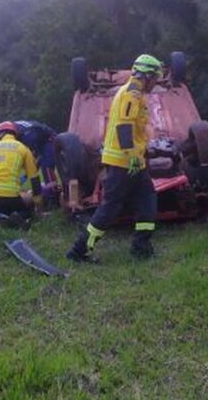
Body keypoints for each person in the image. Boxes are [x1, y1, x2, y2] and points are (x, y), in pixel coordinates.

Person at [66, 54, 164, 262]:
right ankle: (79, 250)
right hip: (123, 162)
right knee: (110, 208)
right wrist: (131, 155)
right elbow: (124, 127)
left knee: (147, 200)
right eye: (155, 77)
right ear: (146, 76)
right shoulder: (131, 94)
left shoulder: (136, 93)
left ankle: (141, 246)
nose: (156, 83)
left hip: (134, 161)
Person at [13, 119, 60, 208]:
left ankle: (54, 197)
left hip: (48, 139)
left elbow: (33, 158)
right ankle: (52, 194)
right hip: (40, 141)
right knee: (40, 165)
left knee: (47, 167)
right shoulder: (16, 128)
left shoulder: (27, 135)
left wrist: (28, 173)